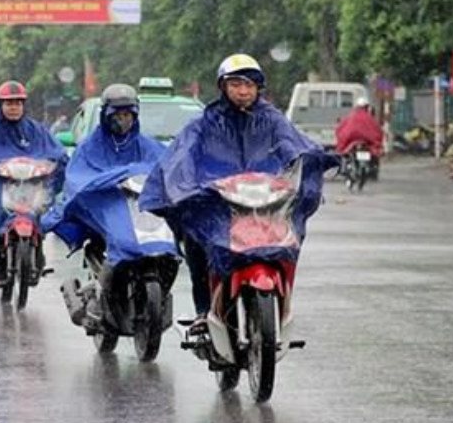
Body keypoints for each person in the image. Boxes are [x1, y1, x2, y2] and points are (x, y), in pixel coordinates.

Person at [139, 54, 336, 332]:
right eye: (236, 84)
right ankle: (204, 310)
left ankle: (280, 303)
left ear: (258, 88)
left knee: (287, 242)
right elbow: (182, 156)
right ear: (223, 86)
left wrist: (306, 161)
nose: (243, 91)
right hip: (217, 203)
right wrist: (186, 186)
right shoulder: (204, 123)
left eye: (250, 84)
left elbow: (291, 144)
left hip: (265, 200)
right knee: (196, 243)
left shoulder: (273, 120)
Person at [45, 83, 167, 327]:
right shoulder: (90, 146)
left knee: (169, 243)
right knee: (120, 241)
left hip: (139, 209)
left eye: (127, 115)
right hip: (107, 208)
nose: (123, 121)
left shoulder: (146, 145)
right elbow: (77, 177)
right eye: (117, 115)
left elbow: (167, 168)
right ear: (106, 115)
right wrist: (108, 182)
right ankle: (104, 295)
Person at [0, 80, 67, 285]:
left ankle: (39, 246)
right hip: (1, 183)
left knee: (44, 205)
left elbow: (55, 151)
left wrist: (54, 163)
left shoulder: (35, 130)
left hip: (31, 182)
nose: (14, 107)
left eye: (18, 103)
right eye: (9, 104)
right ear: (1, 105)